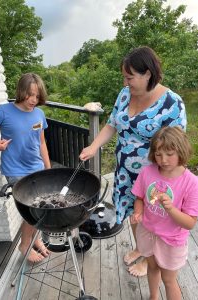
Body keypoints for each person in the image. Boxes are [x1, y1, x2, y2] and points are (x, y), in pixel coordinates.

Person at [79, 46, 187, 276]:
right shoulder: (125, 94)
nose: (126, 82)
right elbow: (112, 124)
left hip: (154, 176)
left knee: (152, 219)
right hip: (125, 171)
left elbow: (177, 147)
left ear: (147, 73)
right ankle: (141, 248)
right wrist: (93, 146)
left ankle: (149, 262)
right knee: (133, 213)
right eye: (124, 77)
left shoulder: (172, 103)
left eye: (130, 77)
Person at [0, 73, 51, 263]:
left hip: (37, 169)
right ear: (21, 91)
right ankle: (24, 245)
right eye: (30, 94)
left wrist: (48, 169)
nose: (34, 100)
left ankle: (36, 239)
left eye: (37, 95)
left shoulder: (39, 114)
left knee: (41, 207)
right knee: (33, 209)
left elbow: (41, 143)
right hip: (15, 171)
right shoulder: (3, 111)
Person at [130, 126, 198, 300]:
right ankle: (153, 297)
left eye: (170, 154)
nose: (163, 160)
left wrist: (171, 208)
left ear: (181, 151)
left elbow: (190, 223)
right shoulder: (148, 172)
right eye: (158, 154)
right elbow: (139, 198)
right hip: (148, 231)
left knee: (169, 280)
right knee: (152, 268)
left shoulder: (191, 183)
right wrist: (138, 212)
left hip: (171, 240)